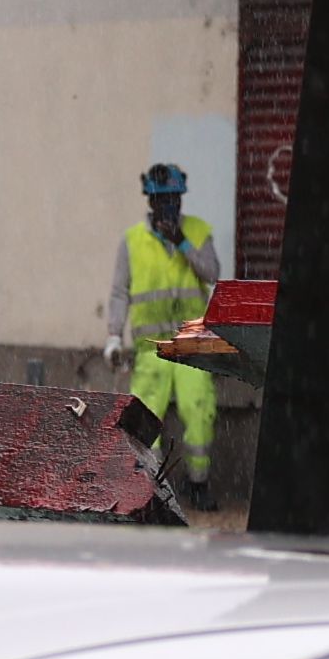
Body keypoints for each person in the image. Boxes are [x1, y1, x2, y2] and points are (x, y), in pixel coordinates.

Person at [117, 162, 222, 489]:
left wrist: (183, 244)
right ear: (150, 201)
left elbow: (213, 274)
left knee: (199, 412)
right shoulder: (133, 241)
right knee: (145, 420)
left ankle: (199, 483)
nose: (168, 206)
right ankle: (151, 489)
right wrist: (111, 334)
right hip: (151, 351)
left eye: (174, 199)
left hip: (192, 346)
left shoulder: (198, 232)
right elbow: (119, 291)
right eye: (162, 200)